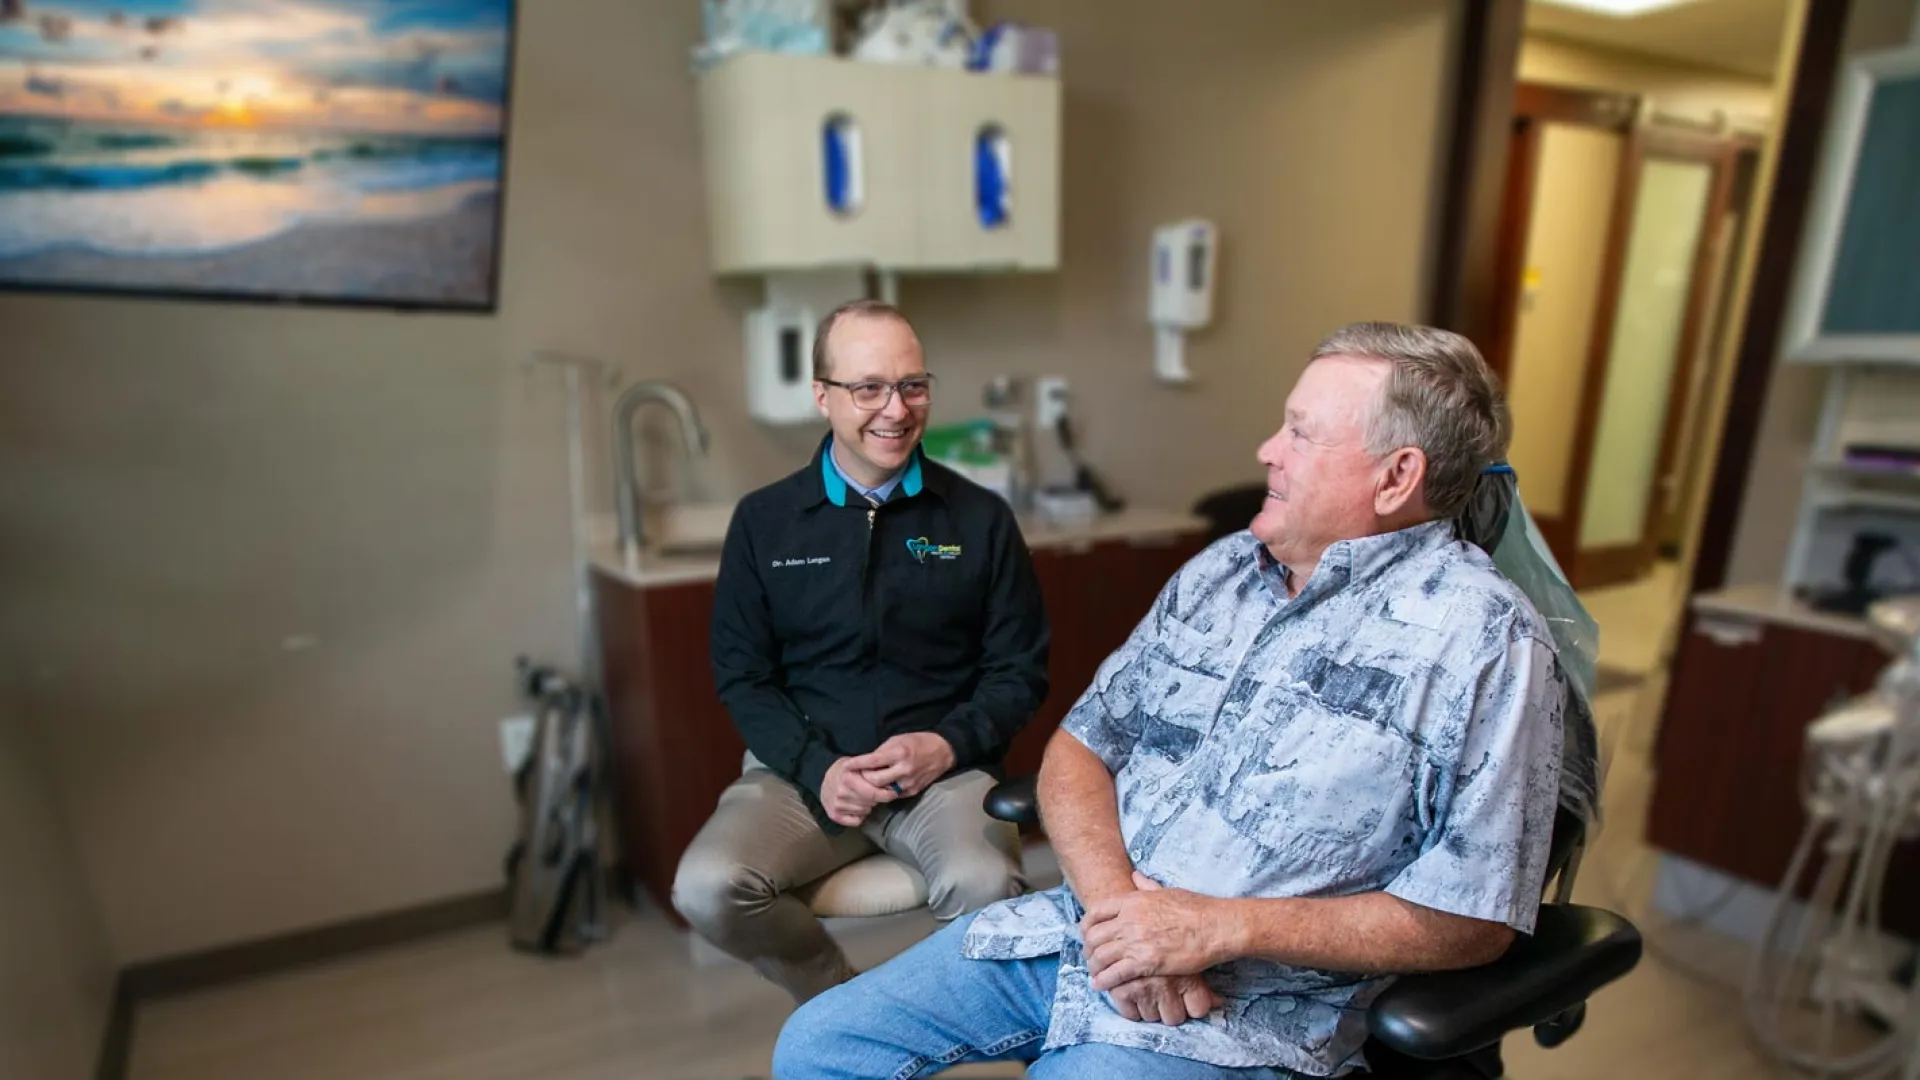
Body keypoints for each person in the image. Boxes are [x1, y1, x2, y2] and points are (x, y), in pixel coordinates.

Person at [773, 322, 1573, 1078]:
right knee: (819, 1046)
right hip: (1083, 934)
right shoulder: (1225, 571)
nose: (1267, 451)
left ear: (1397, 477)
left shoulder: (1485, 644)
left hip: (1248, 1009)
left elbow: (1475, 920)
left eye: (1300, 433)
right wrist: (1123, 918)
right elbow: (1080, 747)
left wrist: (1216, 928)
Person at [674, 298, 1050, 1004]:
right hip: (803, 776)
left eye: (913, 385)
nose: (895, 409)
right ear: (822, 396)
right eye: (868, 387)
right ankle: (845, 1007)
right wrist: (820, 768)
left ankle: (944, 1024)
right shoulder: (765, 522)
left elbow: (1018, 670)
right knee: (707, 888)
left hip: (944, 774)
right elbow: (744, 677)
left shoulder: (978, 518)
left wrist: (944, 745)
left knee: (987, 886)